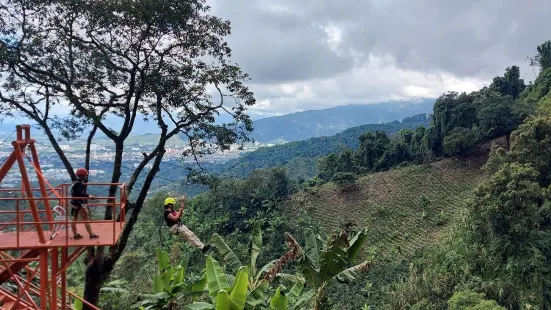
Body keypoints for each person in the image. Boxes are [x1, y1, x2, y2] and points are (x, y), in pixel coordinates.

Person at [70, 168, 99, 240]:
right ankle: (91, 235)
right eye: (85, 175)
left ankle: (75, 235)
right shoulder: (79, 183)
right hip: (79, 203)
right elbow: (80, 193)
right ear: (82, 176)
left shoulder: (74, 182)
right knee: (86, 218)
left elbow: (76, 192)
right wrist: (89, 196)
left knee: (74, 219)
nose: (86, 176)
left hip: (74, 202)